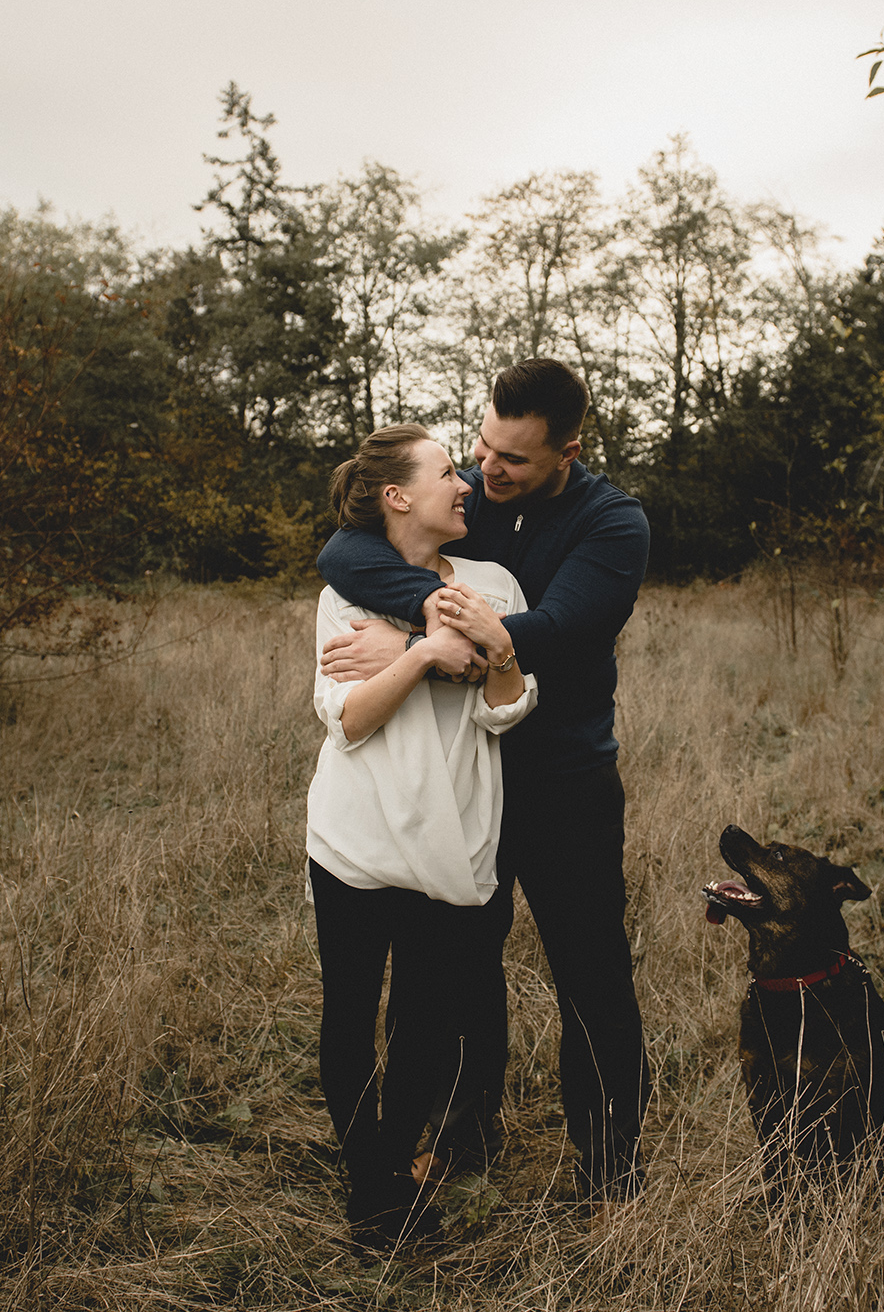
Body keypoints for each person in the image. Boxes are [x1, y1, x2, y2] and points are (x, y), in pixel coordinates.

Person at [316, 358, 651, 1200]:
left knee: (591, 977)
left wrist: (409, 651)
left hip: (563, 779)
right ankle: (463, 1140)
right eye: (480, 446)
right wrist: (433, 631)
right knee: (459, 971)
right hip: (467, 780)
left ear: (568, 450)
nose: (484, 471)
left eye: (512, 460)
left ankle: (609, 1172)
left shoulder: (612, 524)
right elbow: (346, 551)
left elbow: (561, 631)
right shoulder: (464, 502)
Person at [305, 423, 538, 1247]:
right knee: (349, 1016)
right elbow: (350, 720)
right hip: (354, 840)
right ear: (398, 495)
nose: (465, 483)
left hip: (456, 840)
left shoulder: (491, 581)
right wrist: (422, 654)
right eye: (447, 472)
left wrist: (489, 647)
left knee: (427, 1026)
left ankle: (392, 1161)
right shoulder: (345, 593)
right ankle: (375, 1191)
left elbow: (504, 707)